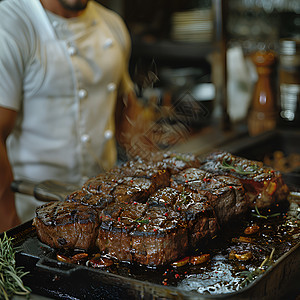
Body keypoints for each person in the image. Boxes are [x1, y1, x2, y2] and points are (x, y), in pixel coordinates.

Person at [0, 0, 148, 232]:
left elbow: (126, 113)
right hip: (30, 215)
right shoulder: (10, 23)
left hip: (102, 213)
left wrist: (153, 170)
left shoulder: (112, 24)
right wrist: (9, 227)